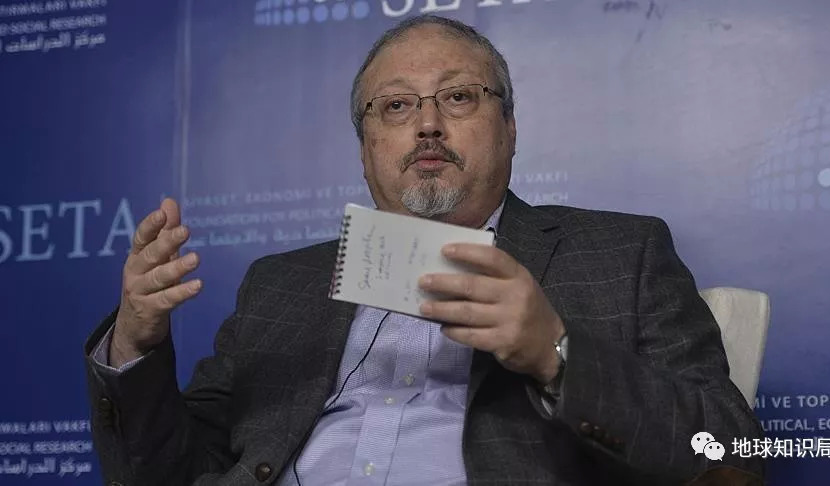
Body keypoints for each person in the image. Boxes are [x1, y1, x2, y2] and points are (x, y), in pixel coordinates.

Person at [84, 15, 765, 486]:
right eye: (396, 106)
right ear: (365, 148)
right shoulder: (280, 284)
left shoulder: (622, 253)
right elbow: (165, 473)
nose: (429, 124)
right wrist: (136, 345)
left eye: (459, 97)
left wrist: (555, 353)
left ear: (510, 128)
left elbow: (733, 450)